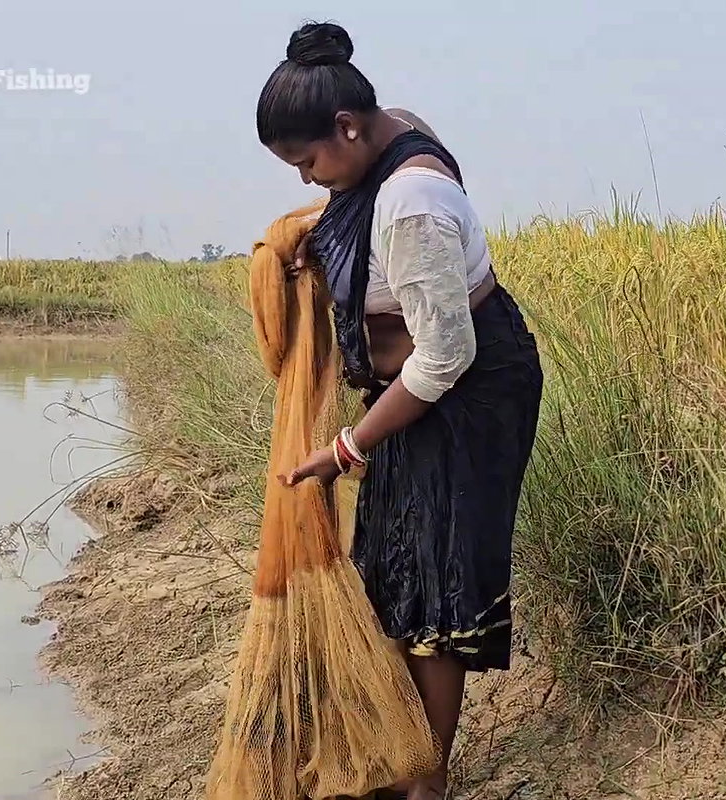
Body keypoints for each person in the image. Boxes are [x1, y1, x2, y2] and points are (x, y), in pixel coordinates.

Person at [255, 20, 543, 800]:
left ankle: (425, 777)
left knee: (434, 584)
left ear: (349, 128)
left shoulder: (412, 201)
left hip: (466, 394)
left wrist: (346, 448)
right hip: (415, 390)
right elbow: (358, 219)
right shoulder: (391, 128)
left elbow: (446, 356)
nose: (309, 182)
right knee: (391, 565)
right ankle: (396, 746)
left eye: (309, 162)